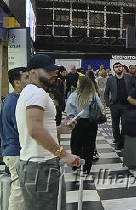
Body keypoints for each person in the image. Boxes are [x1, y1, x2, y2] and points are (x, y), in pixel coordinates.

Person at [16, 54, 80, 210]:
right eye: (48, 71)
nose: (53, 74)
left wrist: (60, 128)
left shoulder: (31, 92)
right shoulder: (36, 93)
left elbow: (35, 126)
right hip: (40, 166)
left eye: (54, 70)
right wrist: (64, 155)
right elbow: (35, 130)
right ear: (32, 72)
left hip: (37, 164)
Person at [0, 67, 28, 210]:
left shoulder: (14, 99)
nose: (29, 80)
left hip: (13, 150)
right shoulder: (14, 102)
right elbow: (21, 129)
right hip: (14, 151)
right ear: (17, 82)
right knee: (19, 191)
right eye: (26, 78)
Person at [65, 76, 104, 174]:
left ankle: (76, 166)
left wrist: (72, 117)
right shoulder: (94, 94)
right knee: (90, 145)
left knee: (76, 145)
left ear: (80, 84)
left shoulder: (74, 95)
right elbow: (101, 107)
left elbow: (69, 110)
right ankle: (87, 168)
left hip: (78, 122)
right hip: (92, 123)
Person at [104, 62, 136, 150]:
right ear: (114, 69)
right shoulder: (110, 80)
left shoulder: (129, 77)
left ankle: (122, 141)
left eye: (120, 66)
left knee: (125, 124)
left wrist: (134, 98)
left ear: (122, 68)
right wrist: (108, 103)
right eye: (116, 67)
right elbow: (106, 93)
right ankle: (118, 141)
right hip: (115, 105)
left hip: (127, 105)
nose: (118, 68)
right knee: (115, 124)